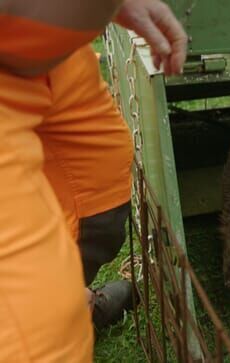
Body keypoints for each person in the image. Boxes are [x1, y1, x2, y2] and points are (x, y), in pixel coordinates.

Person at [0, 0, 187, 361]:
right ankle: (58, 309)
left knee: (95, 183)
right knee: (38, 328)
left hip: (30, 44)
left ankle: (74, 297)